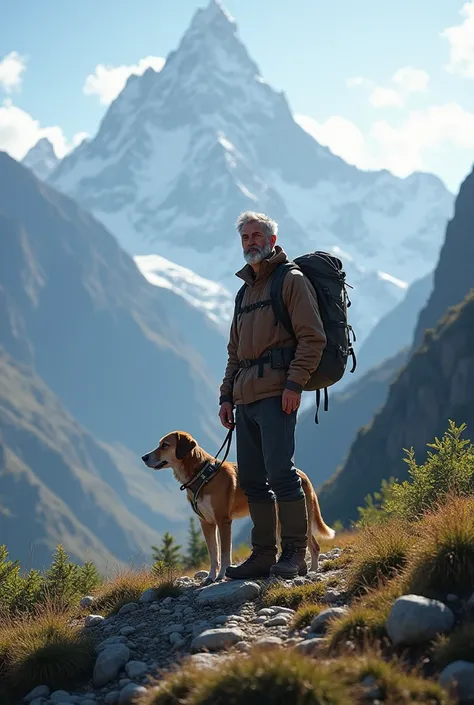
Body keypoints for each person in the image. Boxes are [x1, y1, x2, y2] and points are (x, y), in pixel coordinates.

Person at [219, 211, 327, 580]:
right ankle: (263, 554)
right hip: (245, 399)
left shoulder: (290, 280)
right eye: (245, 237)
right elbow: (235, 352)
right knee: (251, 480)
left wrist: (295, 384)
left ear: (272, 241)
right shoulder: (244, 292)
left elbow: (313, 338)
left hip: (278, 394)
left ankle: (294, 553)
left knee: (281, 473)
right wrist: (226, 397)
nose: (251, 241)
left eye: (257, 235)